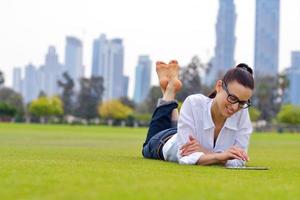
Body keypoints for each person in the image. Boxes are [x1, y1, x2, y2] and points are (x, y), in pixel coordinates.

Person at [142, 60, 254, 167]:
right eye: (232, 98)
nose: (235, 107)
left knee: (178, 128)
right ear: (219, 87)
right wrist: (222, 156)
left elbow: (239, 159)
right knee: (146, 147)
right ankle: (170, 90)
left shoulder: (242, 113)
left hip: (181, 132)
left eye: (242, 102)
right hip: (165, 141)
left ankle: (168, 89)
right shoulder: (194, 103)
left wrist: (203, 151)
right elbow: (185, 157)